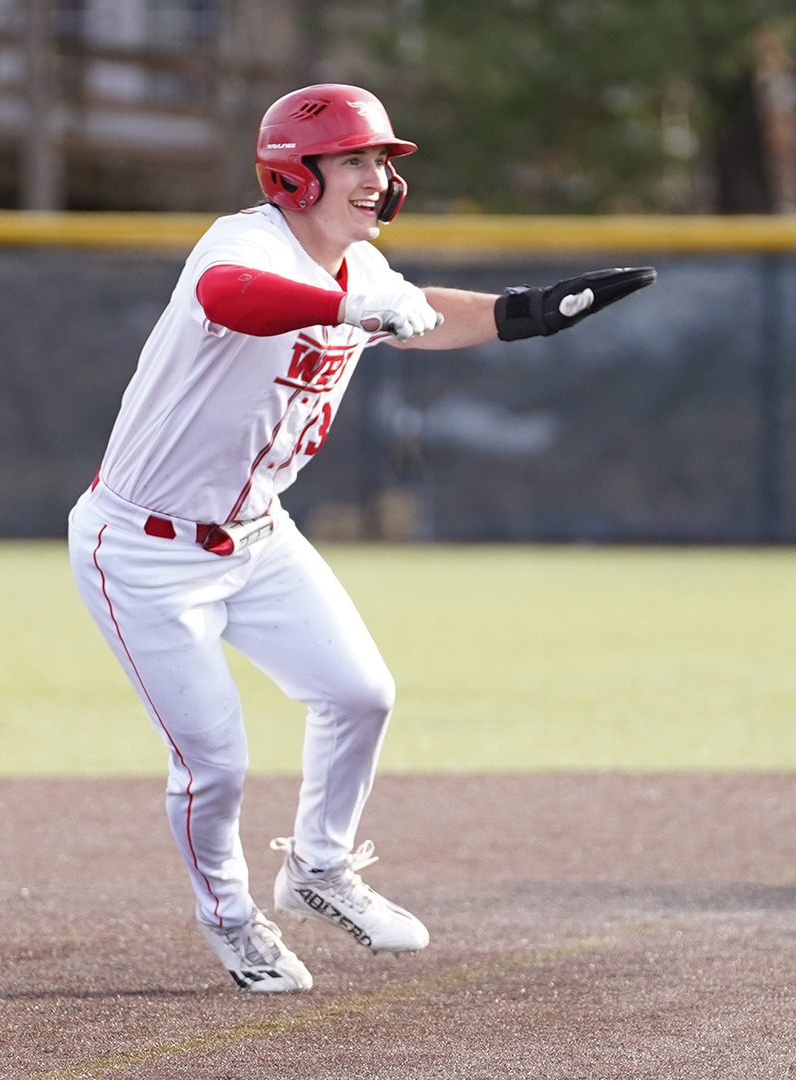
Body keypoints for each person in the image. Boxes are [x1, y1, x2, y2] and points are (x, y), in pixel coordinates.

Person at [66, 83, 654, 992]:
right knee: (215, 762)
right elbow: (234, 298)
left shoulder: (361, 270)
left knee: (361, 693)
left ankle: (317, 871)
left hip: (257, 537)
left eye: (383, 162)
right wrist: (345, 314)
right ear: (294, 177)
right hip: (143, 550)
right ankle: (230, 918)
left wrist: (528, 312)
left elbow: (421, 314)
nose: (378, 178)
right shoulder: (245, 243)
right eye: (355, 161)